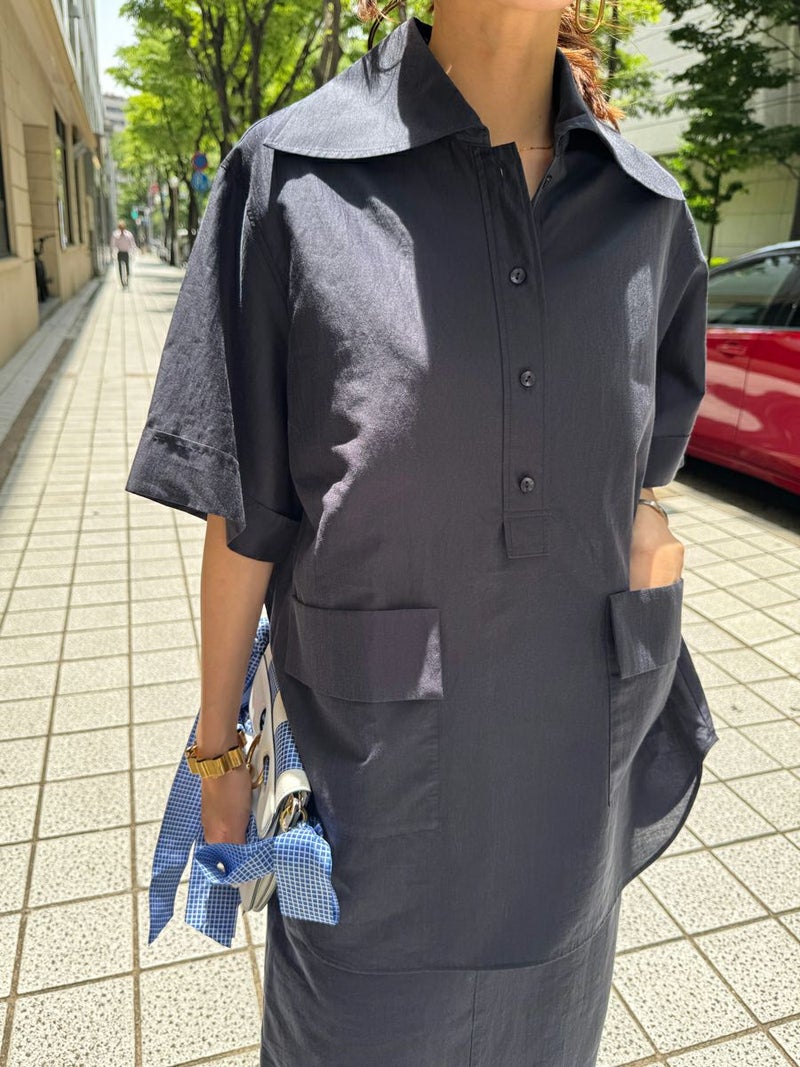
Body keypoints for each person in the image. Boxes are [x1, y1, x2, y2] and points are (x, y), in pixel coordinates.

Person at [125, 1, 719, 1064]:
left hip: (567, 813)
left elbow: (636, 482)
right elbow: (245, 513)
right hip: (367, 824)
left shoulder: (648, 214)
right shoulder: (289, 179)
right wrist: (217, 753)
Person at [110, 218, 136, 287]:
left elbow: (132, 244)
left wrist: (133, 252)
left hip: (126, 253)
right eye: (120, 227)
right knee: (120, 268)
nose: (121, 229)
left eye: (122, 227)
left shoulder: (128, 234)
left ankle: (127, 279)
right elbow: (112, 244)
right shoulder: (115, 234)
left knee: (127, 267)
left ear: (124, 227)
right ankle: (122, 281)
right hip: (120, 253)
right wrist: (113, 253)